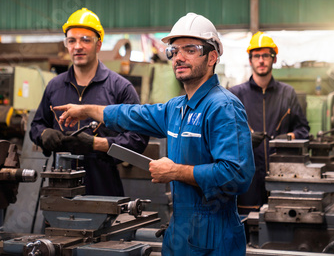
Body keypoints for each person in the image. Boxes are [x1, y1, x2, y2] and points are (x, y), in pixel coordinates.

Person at [54, 13, 255, 255]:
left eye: (190, 49)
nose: (179, 57)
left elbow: (237, 174)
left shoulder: (223, 107)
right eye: (174, 50)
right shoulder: (177, 107)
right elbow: (133, 114)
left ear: (212, 57)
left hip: (215, 238)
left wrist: (176, 172)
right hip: (180, 234)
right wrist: (87, 110)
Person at [29, 7, 149, 196]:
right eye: (72, 40)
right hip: (59, 188)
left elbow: (137, 139)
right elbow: (37, 124)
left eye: (86, 40)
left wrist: (97, 144)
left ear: (98, 45)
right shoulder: (54, 86)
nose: (78, 46)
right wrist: (43, 134)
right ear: (66, 45)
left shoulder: (120, 88)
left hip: (104, 186)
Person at [229, 31, 310, 213]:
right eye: (256, 56)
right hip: (246, 178)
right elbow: (222, 134)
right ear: (250, 61)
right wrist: (244, 139)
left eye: (266, 55)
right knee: (247, 225)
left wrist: (289, 137)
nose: (261, 60)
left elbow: (303, 129)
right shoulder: (235, 95)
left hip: (282, 175)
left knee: (279, 224)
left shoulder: (287, 93)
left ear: (273, 59)